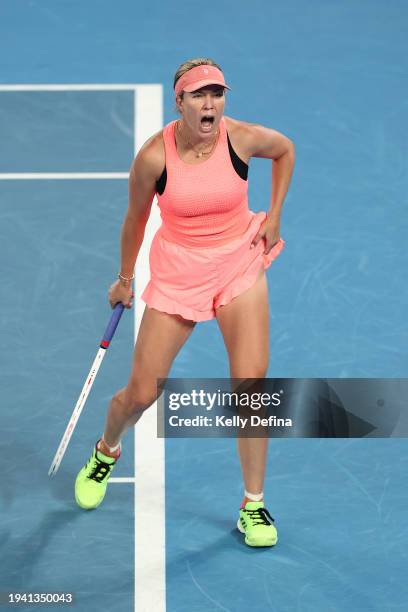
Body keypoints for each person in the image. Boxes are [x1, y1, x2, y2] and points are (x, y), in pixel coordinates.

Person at [75, 57, 295, 548]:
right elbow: (135, 221)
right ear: (180, 103)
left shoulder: (241, 138)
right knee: (140, 393)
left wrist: (274, 214)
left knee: (251, 389)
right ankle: (106, 451)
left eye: (216, 93)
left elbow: (285, 151)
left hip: (239, 262)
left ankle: (253, 505)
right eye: (199, 95)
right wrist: (124, 279)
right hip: (179, 270)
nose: (210, 102)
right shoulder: (155, 156)